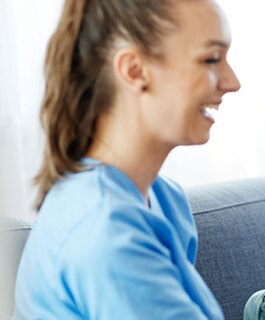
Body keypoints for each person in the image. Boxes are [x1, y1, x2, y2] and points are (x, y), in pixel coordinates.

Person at [14, 0, 240, 318]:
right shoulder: (105, 230)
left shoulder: (165, 199)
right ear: (134, 70)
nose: (233, 82)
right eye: (211, 59)